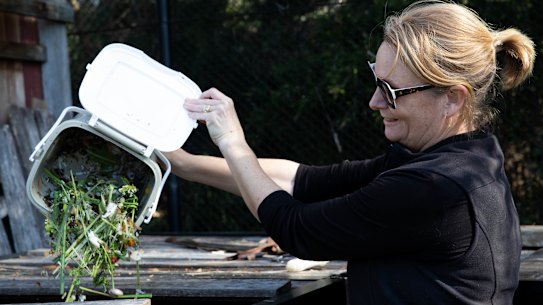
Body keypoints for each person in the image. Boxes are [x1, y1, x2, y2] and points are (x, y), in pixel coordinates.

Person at [164, 0, 536, 304]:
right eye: (377, 82)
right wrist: (181, 162)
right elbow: (301, 180)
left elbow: (297, 230)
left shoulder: (437, 188)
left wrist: (233, 141)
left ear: (452, 99)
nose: (374, 102)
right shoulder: (458, 158)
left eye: (391, 91)